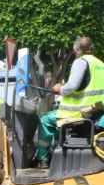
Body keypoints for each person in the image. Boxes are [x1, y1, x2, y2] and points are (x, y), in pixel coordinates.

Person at [36, 36, 104, 169]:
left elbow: (73, 85)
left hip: (79, 114)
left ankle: (43, 160)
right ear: (92, 48)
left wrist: (60, 88)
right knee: (57, 124)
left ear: (76, 49)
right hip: (96, 114)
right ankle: (54, 152)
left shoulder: (81, 62)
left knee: (45, 119)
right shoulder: (100, 64)